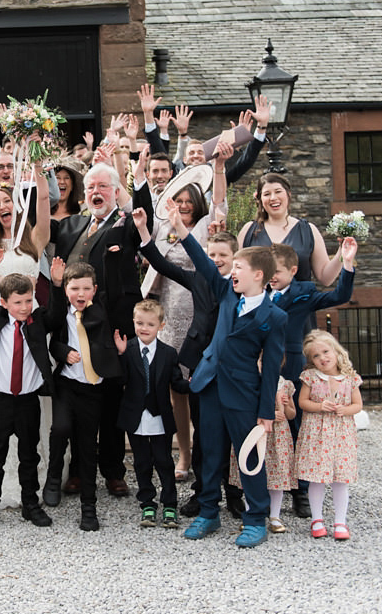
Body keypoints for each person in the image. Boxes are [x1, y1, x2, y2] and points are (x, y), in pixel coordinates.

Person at [169, 198, 286, 549]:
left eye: (238, 267)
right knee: (210, 452)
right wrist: (180, 229)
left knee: (249, 459)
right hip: (209, 387)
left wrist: (266, 411)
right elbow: (204, 263)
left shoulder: (274, 316)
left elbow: (272, 369)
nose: (231, 272)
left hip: (245, 394)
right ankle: (208, 512)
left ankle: (255, 518)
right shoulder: (224, 293)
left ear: (259, 275)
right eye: (231, 266)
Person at [133, 225, 245, 520]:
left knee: (233, 434)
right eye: (212, 254)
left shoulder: (242, 285)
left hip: (232, 364)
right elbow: (161, 265)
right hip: (200, 362)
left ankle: (234, 493)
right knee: (203, 431)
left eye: (223, 254)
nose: (217, 258)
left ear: (235, 258)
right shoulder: (197, 278)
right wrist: (145, 232)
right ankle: (201, 491)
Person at [140, 142, 231, 482]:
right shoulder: (165, 226)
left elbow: (220, 201)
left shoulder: (209, 225)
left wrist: (219, 167)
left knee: (199, 385)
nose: (183, 207)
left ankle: (209, 452)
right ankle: (185, 454)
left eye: (188, 202)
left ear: (198, 204)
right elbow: (155, 256)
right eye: (178, 202)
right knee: (174, 387)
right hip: (168, 308)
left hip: (199, 308)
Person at [50, 162, 142, 498]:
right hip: (74, 329)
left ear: (116, 191)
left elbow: (140, 220)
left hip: (112, 329)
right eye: (91, 187)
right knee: (78, 407)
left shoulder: (127, 223)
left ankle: (114, 471)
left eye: (103, 186)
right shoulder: (71, 224)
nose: (96, 193)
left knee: (111, 404)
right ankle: (76, 471)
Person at [0, 255, 55, 531]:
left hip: (28, 401)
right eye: (18, 302)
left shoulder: (37, 322)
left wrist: (59, 284)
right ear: (4, 303)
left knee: (29, 456)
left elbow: (57, 308)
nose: (24, 308)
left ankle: (31, 504)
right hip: (1, 401)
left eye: (28, 301)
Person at [269, 238, 358, 518]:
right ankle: (267, 490)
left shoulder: (304, 292)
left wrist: (347, 263)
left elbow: (339, 296)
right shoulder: (255, 289)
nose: (272, 277)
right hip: (262, 365)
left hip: (291, 365)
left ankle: (302, 491)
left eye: (277, 272)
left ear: (293, 271)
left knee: (296, 426)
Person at [40, 259, 122, 531]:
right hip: (67, 385)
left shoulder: (100, 311)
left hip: (93, 390)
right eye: (74, 288)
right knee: (61, 427)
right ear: (67, 290)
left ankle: (89, 507)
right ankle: (53, 477)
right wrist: (64, 353)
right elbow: (53, 341)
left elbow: (115, 292)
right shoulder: (61, 313)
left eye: (86, 289)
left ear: (94, 290)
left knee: (87, 447)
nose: (80, 294)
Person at [114, 299, 191, 529]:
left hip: (159, 417)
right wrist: (119, 356)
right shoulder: (127, 350)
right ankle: (147, 503)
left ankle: (169, 504)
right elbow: (120, 381)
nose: (144, 328)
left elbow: (177, 382)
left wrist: (193, 384)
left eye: (150, 324)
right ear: (134, 323)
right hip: (136, 418)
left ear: (161, 325)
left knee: (165, 461)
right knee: (141, 463)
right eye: (139, 323)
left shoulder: (168, 353)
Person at [296, 330, 363, 541]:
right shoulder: (310, 377)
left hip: (341, 434)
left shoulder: (350, 378)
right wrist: (319, 406)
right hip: (317, 433)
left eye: (325, 352)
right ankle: (317, 519)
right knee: (317, 478)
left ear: (335, 351)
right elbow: (302, 403)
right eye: (316, 356)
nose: (322, 358)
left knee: (340, 479)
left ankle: (340, 521)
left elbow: (358, 405)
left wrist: (345, 410)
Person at [227, 360, 296, 534]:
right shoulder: (250, 383)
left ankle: (275, 515)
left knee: (277, 475)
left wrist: (285, 405)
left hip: (278, 435)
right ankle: (252, 510)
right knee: (253, 470)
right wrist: (268, 413)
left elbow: (292, 414)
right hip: (256, 432)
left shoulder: (285, 384)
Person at [238, 173, 344, 287]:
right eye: (267, 194)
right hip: (258, 303)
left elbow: (325, 278)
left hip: (299, 302)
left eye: (278, 192)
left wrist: (342, 252)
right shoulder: (248, 230)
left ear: (288, 194)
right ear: (260, 199)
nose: (273, 198)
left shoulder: (308, 230)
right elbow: (233, 272)